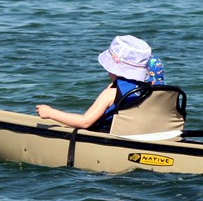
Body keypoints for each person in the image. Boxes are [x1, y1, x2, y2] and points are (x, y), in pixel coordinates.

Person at [36, 34, 165, 132]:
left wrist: (50, 113)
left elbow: (85, 122)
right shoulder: (152, 91)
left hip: (113, 139)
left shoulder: (111, 93)